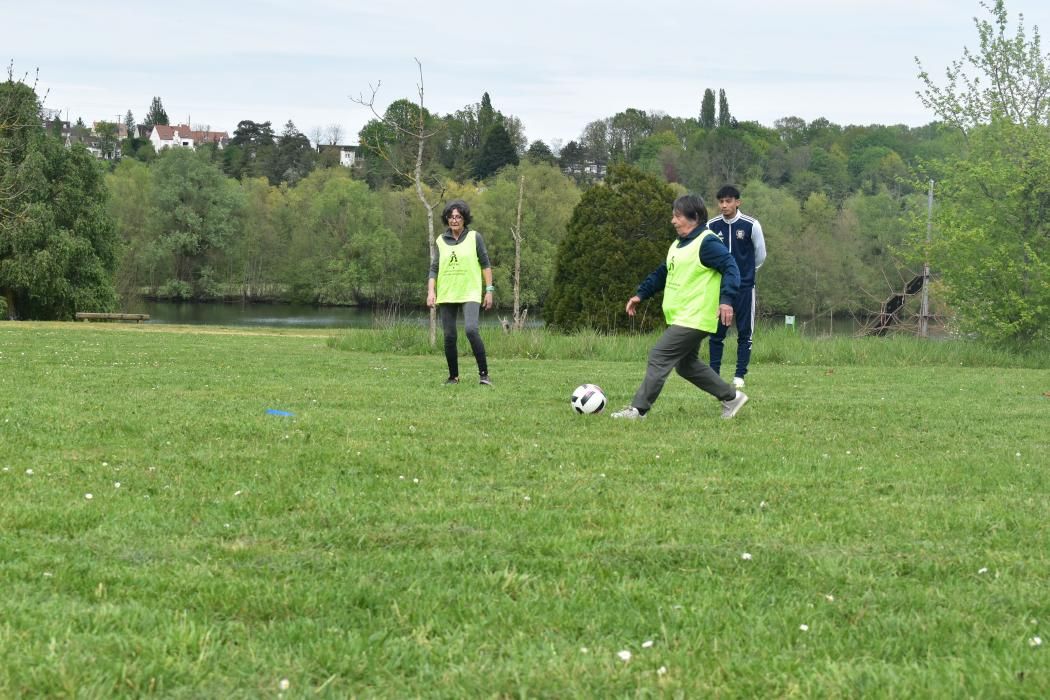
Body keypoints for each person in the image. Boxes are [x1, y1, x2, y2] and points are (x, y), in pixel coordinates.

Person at [611, 194, 749, 420]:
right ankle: (731, 398)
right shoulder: (679, 244)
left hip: (696, 316)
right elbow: (663, 272)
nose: (673, 221)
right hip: (684, 316)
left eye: (677, 216)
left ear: (694, 217)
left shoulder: (708, 242)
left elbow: (731, 267)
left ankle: (638, 410)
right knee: (686, 365)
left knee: (659, 355)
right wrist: (641, 294)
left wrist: (726, 300)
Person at [427, 199, 495, 385]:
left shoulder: (475, 237)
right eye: (451, 217)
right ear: (447, 219)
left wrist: (489, 290)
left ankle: (484, 375)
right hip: (447, 293)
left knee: (471, 330)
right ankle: (453, 377)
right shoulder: (441, 240)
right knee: (449, 335)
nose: (454, 220)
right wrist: (431, 292)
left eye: (458, 217)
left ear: (464, 219)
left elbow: (485, 264)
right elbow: (434, 268)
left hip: (470, 291)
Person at [706, 184, 766, 389]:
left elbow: (760, 255)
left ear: (737, 202)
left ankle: (740, 375)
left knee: (744, 333)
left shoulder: (751, 225)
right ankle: (713, 374)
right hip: (720, 290)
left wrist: (746, 274)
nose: (724, 205)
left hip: (745, 288)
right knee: (716, 334)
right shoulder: (711, 226)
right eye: (721, 201)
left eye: (728, 201)